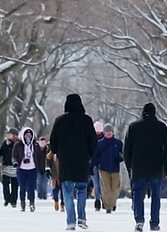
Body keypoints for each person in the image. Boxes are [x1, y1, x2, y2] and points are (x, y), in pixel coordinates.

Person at [49, 93, 98, 230]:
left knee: (67, 190)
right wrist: (89, 155)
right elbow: (93, 142)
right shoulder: (86, 120)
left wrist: (58, 152)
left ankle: (71, 221)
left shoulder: (60, 120)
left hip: (65, 160)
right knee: (82, 189)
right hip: (82, 160)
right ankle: (82, 218)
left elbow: (53, 143)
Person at [124, 102, 167, 232]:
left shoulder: (133, 127)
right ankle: (154, 222)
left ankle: (139, 220)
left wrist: (129, 166)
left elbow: (126, 149)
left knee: (138, 194)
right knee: (156, 195)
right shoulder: (161, 127)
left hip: (138, 167)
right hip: (155, 167)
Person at [12, 127, 45, 212]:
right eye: (26, 135)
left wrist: (42, 168)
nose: (28, 137)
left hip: (32, 169)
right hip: (22, 169)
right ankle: (22, 203)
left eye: (30, 135)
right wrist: (15, 162)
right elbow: (14, 156)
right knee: (22, 187)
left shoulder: (35, 145)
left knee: (31, 187)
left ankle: (32, 203)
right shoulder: (18, 145)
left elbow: (40, 157)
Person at [93, 123, 123, 213]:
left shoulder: (118, 143)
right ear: (104, 133)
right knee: (106, 188)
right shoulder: (100, 144)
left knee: (115, 188)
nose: (109, 133)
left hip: (115, 169)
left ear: (113, 132)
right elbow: (95, 156)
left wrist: (120, 159)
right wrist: (94, 164)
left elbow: (124, 153)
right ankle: (108, 206)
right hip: (103, 169)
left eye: (110, 132)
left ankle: (113, 203)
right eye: (107, 132)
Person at [0, 128, 19, 208]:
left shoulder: (18, 144)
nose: (8, 135)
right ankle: (7, 198)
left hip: (14, 166)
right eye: (8, 134)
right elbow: (1, 151)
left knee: (14, 185)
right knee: (5, 184)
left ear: (14, 135)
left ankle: (13, 200)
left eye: (10, 134)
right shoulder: (5, 143)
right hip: (6, 166)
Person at [46, 145, 64, 212]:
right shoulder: (51, 148)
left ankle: (63, 204)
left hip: (63, 171)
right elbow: (48, 159)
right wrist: (47, 169)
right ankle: (56, 201)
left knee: (63, 189)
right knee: (55, 188)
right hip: (54, 171)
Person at [91, 120, 104, 211]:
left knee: (103, 184)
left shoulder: (104, 141)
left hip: (102, 165)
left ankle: (104, 200)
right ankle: (97, 200)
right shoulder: (91, 139)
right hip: (93, 165)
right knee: (96, 184)